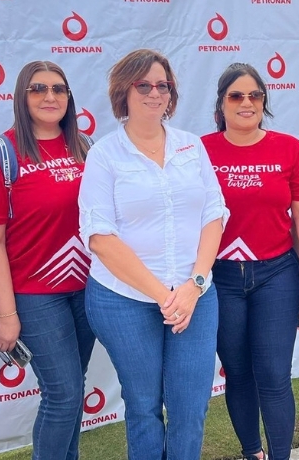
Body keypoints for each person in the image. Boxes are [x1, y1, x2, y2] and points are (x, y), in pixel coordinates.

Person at [79, 49, 228, 460]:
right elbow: (100, 237)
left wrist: (194, 285)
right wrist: (166, 296)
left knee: (190, 408)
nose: (154, 92)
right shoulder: (104, 155)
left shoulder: (191, 146)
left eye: (163, 85)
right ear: (123, 92)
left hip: (194, 296)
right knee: (143, 406)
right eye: (143, 84)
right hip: (124, 300)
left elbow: (214, 213)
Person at [201, 63, 299, 460]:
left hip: (276, 274)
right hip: (220, 277)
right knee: (238, 373)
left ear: (264, 101)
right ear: (221, 103)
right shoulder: (199, 150)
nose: (247, 102)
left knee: (273, 375)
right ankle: (252, 452)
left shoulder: (289, 148)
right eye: (236, 95)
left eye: (255, 95)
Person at [0, 61, 95, 460]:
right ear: (21, 96)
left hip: (88, 290)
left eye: (59, 89)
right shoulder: (0, 154)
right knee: (63, 395)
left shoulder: (86, 146)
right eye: (38, 88)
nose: (50, 96)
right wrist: (6, 315)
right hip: (36, 295)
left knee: (73, 391)